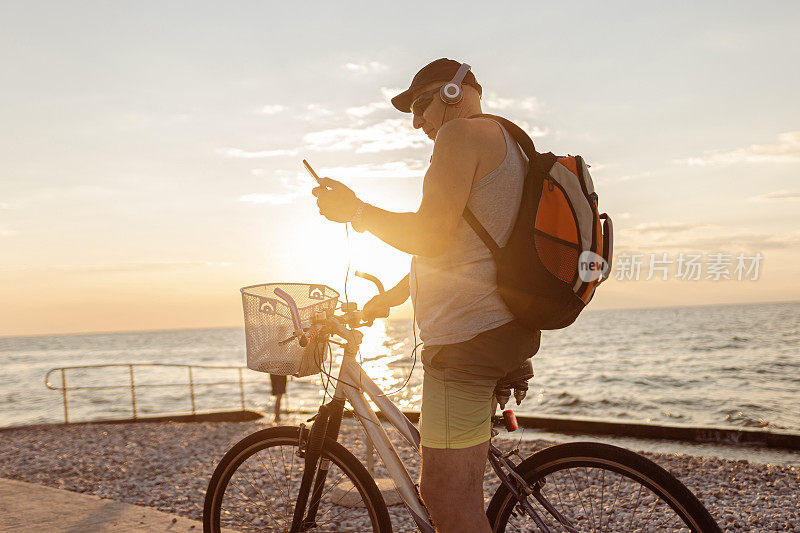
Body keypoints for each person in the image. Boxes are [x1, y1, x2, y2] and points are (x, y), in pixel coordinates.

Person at [312, 58, 540, 533]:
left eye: (420, 105)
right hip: (505, 328)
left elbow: (430, 237)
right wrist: (390, 299)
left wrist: (357, 210)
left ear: (454, 93)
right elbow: (459, 251)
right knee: (459, 482)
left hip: (467, 340)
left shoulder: (462, 136)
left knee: (443, 495)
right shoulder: (509, 143)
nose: (417, 122)